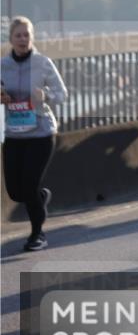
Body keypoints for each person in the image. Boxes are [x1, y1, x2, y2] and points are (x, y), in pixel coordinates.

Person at [2, 16, 67, 252]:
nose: (22, 39)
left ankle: (37, 235)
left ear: (32, 38)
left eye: (26, 35)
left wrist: (46, 95)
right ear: (10, 39)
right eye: (18, 35)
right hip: (14, 134)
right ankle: (40, 196)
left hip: (41, 133)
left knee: (28, 186)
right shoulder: (3, 65)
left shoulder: (43, 63)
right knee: (15, 191)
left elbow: (62, 94)